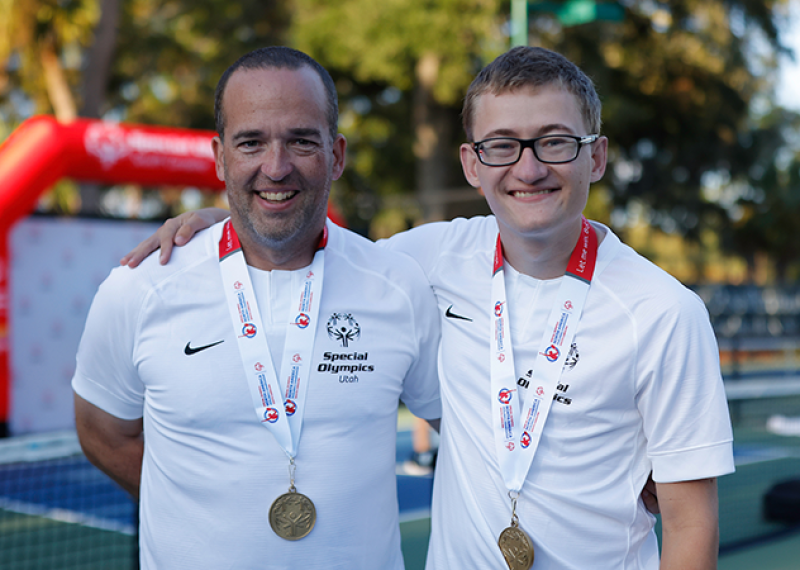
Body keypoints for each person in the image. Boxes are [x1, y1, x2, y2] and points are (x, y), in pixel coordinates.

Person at [124, 46, 733, 570]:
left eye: (553, 142)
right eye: (501, 146)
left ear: (595, 157)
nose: (528, 168)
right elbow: (306, 240)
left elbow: (689, 528)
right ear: (472, 164)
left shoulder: (663, 312)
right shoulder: (429, 258)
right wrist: (218, 223)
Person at [72, 46, 442, 570]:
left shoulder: (398, 284)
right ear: (220, 157)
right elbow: (100, 431)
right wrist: (188, 507)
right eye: (252, 142)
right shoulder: (139, 288)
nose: (276, 166)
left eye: (301, 141)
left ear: (336, 155)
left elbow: (462, 432)